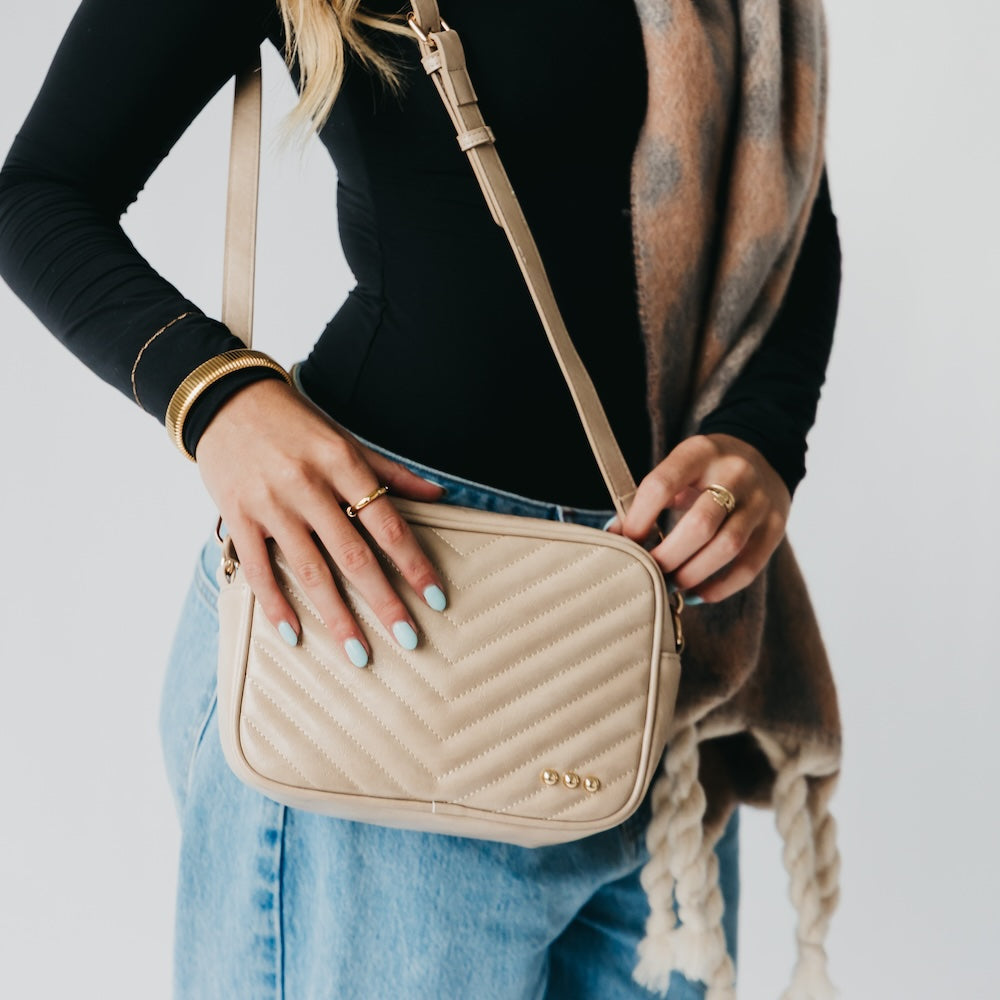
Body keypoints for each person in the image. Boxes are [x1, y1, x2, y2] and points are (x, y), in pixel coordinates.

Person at [0, 1, 842, 997]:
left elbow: (787, 215)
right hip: (383, 630)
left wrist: (761, 437)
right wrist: (214, 397)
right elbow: (40, 194)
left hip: (659, 649)